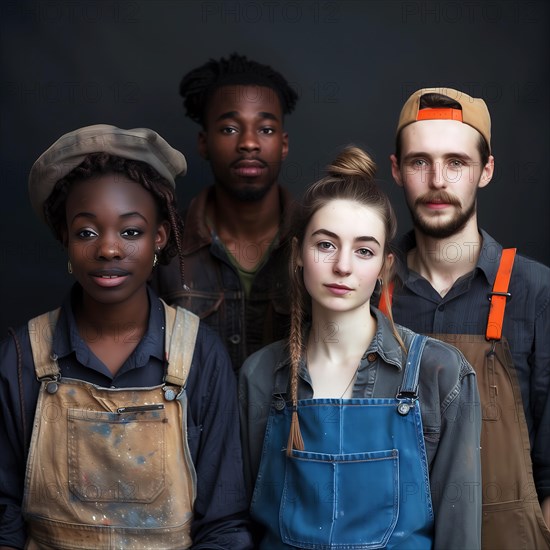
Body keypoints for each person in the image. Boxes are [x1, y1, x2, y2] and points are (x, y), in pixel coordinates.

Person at [0, 125, 253, 549]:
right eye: (86, 232)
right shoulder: (24, 356)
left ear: (159, 237)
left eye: (131, 231)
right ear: (64, 238)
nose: (109, 249)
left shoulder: (198, 355)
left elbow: (224, 526)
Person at [239, 146, 482, 549]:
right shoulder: (261, 376)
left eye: (364, 250)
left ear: (385, 267)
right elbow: (241, 524)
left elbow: (460, 536)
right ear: (299, 253)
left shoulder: (440, 373)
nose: (343, 267)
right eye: (326, 245)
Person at [387, 87, 550, 549]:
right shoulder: (366, 288)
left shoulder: (537, 292)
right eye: (419, 162)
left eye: (456, 162)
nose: (438, 180)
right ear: (397, 170)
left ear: (486, 170)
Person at [151, 53, 298, 372]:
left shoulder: (319, 242)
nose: (248, 143)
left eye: (266, 129)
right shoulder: (163, 249)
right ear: (204, 143)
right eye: (230, 129)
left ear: (284, 145)